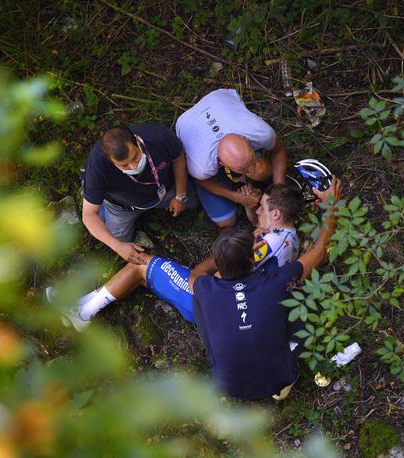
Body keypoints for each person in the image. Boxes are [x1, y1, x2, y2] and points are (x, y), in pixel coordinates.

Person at [52, 184, 304, 331]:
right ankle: (81, 304)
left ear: (277, 215)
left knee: (141, 266)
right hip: (234, 311)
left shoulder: (267, 245)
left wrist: (199, 274)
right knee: (146, 278)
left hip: (214, 305)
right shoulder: (289, 239)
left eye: (262, 207)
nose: (258, 209)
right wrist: (252, 211)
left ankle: (82, 315)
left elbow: (225, 273)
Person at [191, 177, 342, 401]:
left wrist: (221, 258)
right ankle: (284, 384)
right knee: (301, 296)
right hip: (279, 378)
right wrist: (331, 205)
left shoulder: (207, 289)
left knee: (199, 303)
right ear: (254, 260)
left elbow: (194, 275)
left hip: (228, 385)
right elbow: (320, 250)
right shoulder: (277, 282)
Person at [82, 125, 197, 264]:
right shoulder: (98, 167)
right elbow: (88, 215)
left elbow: (178, 158)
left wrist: (180, 195)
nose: (133, 166)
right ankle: (96, 200)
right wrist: (118, 247)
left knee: (194, 200)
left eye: (135, 156)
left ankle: (94, 195)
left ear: (137, 140)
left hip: (164, 189)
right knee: (116, 239)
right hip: (123, 207)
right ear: (111, 162)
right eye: (124, 165)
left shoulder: (158, 136)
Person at [175, 89, 287, 228]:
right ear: (220, 163)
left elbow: (278, 150)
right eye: (243, 168)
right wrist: (234, 196)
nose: (251, 169)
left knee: (261, 171)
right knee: (226, 221)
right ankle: (235, 183)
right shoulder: (202, 166)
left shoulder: (260, 132)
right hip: (186, 122)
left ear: (246, 140)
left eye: (251, 160)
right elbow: (201, 180)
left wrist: (279, 192)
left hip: (218, 98)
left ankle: (241, 175)